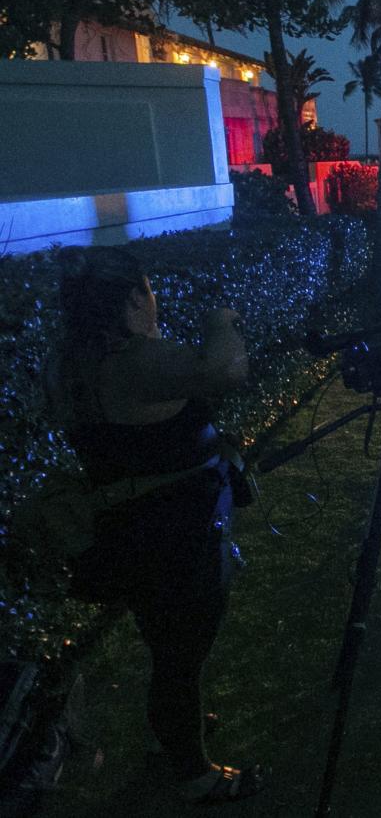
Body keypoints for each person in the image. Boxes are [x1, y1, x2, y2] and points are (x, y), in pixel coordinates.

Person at [46, 247, 263, 804]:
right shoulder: (132, 362)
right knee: (181, 652)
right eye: (147, 288)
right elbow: (225, 369)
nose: (154, 299)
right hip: (172, 537)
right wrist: (221, 321)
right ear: (130, 300)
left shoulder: (75, 361)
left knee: (170, 645)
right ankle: (191, 771)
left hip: (136, 530)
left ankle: (178, 727)